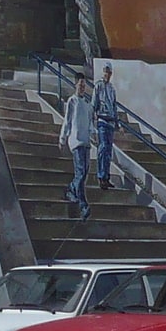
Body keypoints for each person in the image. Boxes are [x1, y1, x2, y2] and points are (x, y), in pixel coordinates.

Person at [58, 74, 95, 222]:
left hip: (86, 142)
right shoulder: (72, 101)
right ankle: (83, 205)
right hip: (76, 141)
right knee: (80, 172)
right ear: (75, 85)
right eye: (80, 85)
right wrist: (62, 138)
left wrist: (93, 134)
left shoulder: (86, 104)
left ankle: (71, 189)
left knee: (84, 172)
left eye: (84, 85)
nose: (82, 87)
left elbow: (90, 123)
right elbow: (67, 121)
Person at [93, 63, 120, 190]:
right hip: (102, 120)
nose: (107, 74)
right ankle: (101, 175)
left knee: (108, 150)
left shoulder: (112, 89)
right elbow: (94, 103)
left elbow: (114, 106)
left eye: (109, 72)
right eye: (105, 72)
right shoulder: (98, 86)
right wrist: (93, 118)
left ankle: (106, 177)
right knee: (103, 148)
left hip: (110, 121)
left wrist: (117, 123)